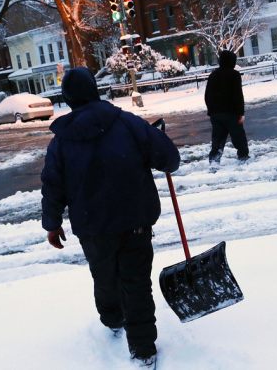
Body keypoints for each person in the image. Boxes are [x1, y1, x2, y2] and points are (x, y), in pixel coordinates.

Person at [41, 67, 180, 368]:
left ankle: (113, 320)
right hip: (135, 221)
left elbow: (53, 185)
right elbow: (169, 159)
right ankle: (143, 350)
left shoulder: (62, 141)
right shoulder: (128, 124)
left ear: (67, 98)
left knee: (104, 275)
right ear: (95, 90)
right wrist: (157, 140)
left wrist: (52, 224)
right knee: (137, 283)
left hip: (93, 226)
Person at [204, 50, 250, 164]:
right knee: (238, 136)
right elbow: (237, 95)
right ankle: (243, 156)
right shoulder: (234, 74)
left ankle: (214, 160)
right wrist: (241, 112)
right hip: (231, 113)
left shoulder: (213, 75)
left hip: (216, 114)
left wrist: (211, 110)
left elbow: (207, 94)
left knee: (218, 139)